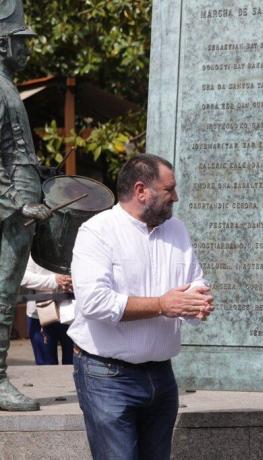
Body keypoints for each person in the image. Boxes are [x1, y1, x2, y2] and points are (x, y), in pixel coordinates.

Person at [69, 154, 214, 460]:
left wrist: (197, 302)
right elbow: (94, 302)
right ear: (140, 191)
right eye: (169, 189)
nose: (175, 196)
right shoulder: (97, 232)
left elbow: (194, 282)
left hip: (161, 376)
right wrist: (163, 304)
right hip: (106, 376)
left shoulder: (177, 230)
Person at [0, 0, 51, 411]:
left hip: (17, 209)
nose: (27, 50)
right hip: (8, 212)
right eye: (21, 41)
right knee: (2, 295)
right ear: (2, 46)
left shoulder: (7, 86)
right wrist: (19, 205)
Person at [21, 256, 74, 365]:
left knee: (75, 366)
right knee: (45, 367)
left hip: (73, 314)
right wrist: (54, 281)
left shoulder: (78, 243)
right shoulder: (35, 246)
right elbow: (22, 276)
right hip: (40, 314)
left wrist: (75, 282)